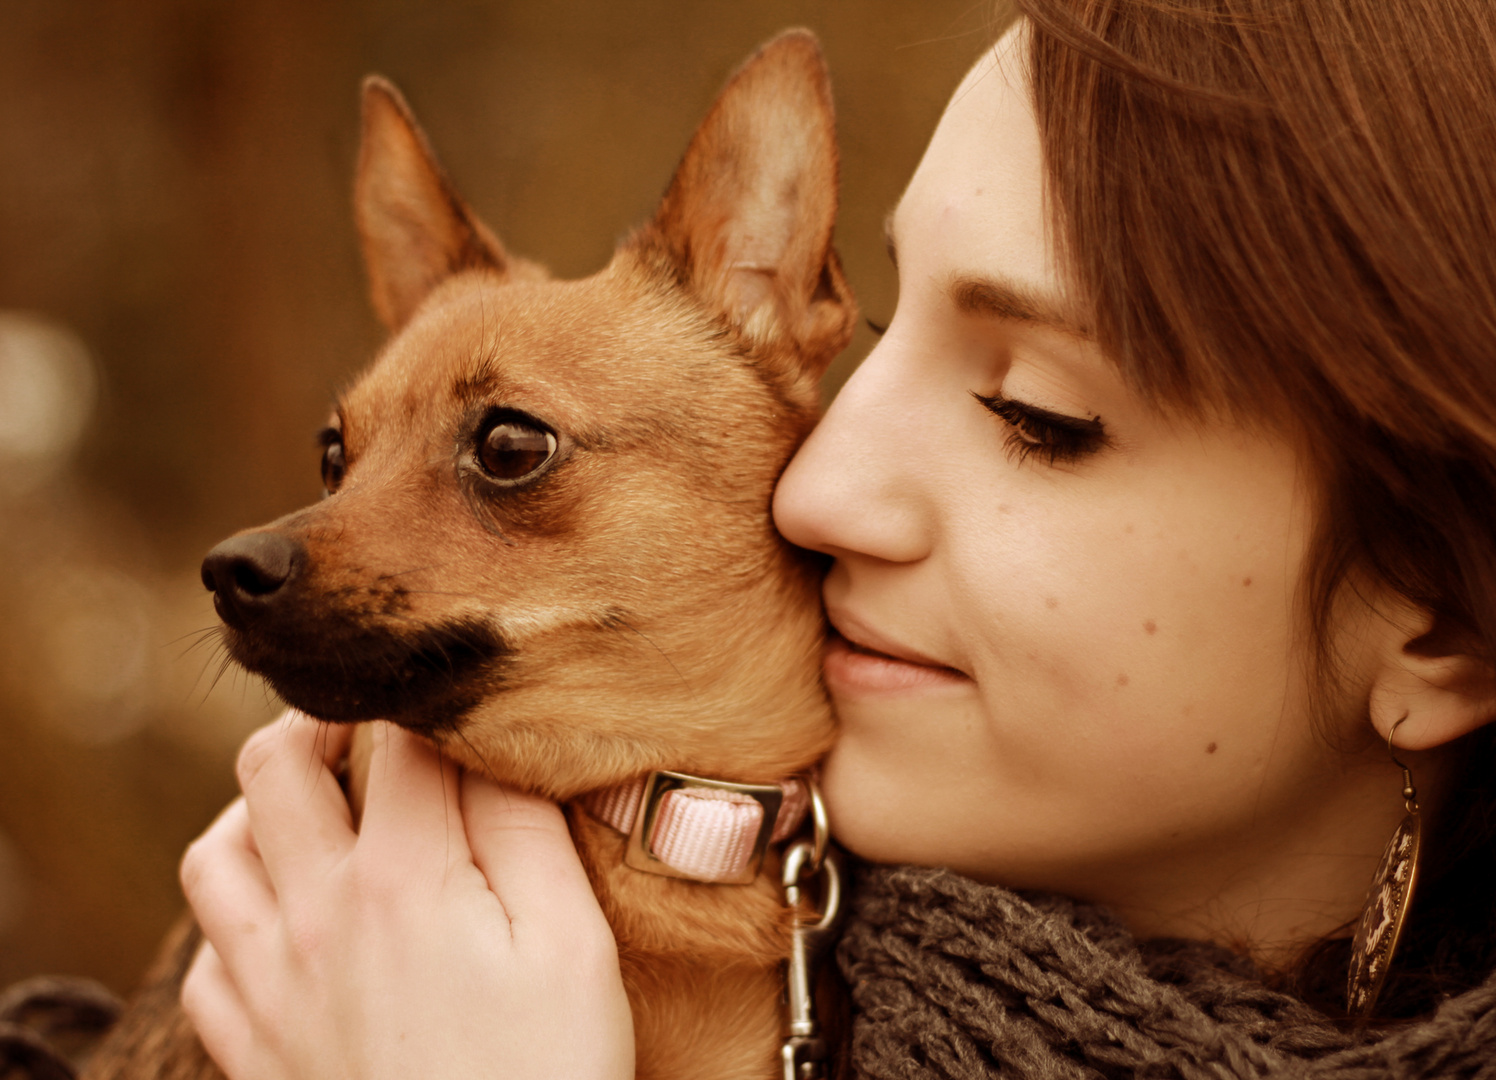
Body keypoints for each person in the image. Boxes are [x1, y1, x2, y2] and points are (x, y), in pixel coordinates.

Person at [176, 0, 1496, 1076]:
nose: (810, 486)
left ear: (1435, 613)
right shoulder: (322, 962)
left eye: (1038, 414)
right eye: (873, 335)